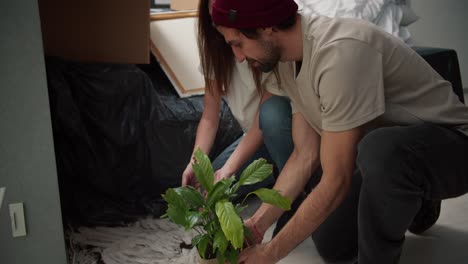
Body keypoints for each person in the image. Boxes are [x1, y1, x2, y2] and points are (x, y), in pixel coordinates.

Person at [209, 0, 468, 263]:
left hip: (452, 144)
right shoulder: (286, 60)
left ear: (265, 27)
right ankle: (418, 203)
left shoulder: (340, 51)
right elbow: (305, 154)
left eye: (237, 44)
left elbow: (337, 179)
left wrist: (270, 254)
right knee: (332, 242)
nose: (239, 57)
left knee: (380, 148)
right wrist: (257, 224)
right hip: (392, 158)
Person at [181, 0, 294, 201]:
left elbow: (265, 121)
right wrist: (196, 162)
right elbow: (209, 117)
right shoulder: (217, 51)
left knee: (272, 114)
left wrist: (229, 169)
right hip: (251, 138)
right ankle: (270, 174)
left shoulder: (262, 45)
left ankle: (291, 184)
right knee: (202, 194)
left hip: (280, 131)